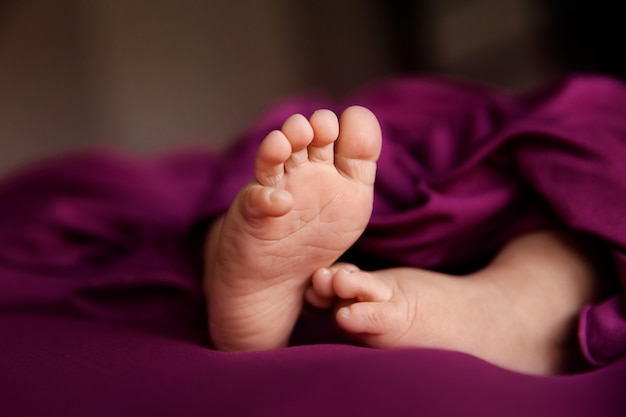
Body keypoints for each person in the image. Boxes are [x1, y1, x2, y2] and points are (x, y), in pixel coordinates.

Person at [202, 105, 606, 375]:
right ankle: (515, 307)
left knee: (263, 189)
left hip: (383, 162)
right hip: (487, 178)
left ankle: (222, 254)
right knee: (593, 153)